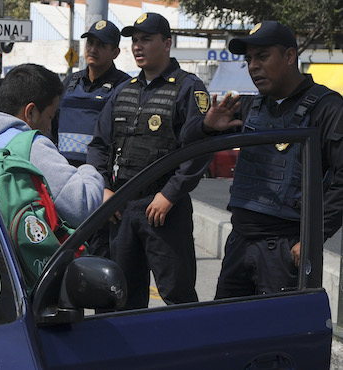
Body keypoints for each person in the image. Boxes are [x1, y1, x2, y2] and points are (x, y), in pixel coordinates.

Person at [186, 21, 343, 298]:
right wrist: (207, 126)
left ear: (290, 56)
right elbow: (185, 144)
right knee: (226, 332)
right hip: (240, 244)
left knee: (280, 337)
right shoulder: (247, 107)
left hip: (286, 251)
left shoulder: (327, 108)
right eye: (249, 60)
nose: (253, 66)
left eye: (262, 56)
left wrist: (313, 237)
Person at [87, 12, 212, 309]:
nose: (138, 46)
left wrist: (170, 195)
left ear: (167, 43)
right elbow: (99, 145)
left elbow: (199, 148)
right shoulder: (124, 90)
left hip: (164, 210)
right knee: (120, 296)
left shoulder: (188, 88)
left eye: (146, 39)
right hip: (122, 208)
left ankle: (183, 354)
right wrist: (103, 189)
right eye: (134, 40)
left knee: (177, 296)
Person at [0, 63, 104, 231]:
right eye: (50, 117)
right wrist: (88, 171)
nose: (49, 127)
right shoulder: (32, 146)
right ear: (31, 112)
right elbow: (81, 207)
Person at [54, 20, 130, 167]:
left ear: (115, 53)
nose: (93, 49)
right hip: (64, 171)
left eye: (101, 45)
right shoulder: (69, 82)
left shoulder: (125, 86)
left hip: (101, 174)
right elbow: (52, 126)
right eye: (90, 42)